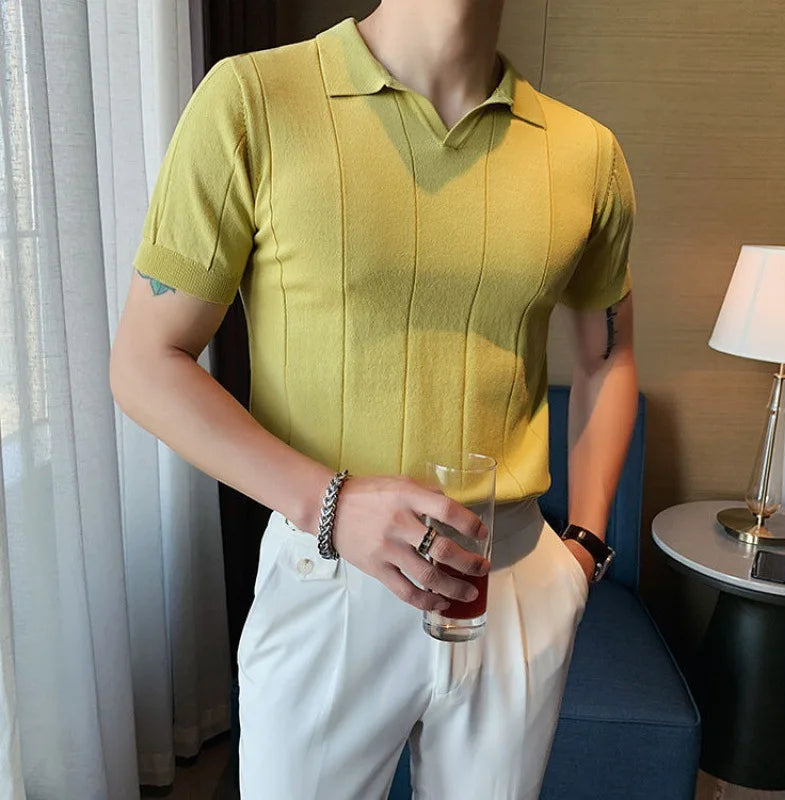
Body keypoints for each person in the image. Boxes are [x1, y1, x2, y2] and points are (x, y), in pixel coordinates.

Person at [110, 0, 639, 797]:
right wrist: (332, 505)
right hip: (327, 571)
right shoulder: (253, 101)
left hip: (514, 581)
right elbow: (145, 362)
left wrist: (583, 551)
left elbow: (609, 354)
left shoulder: (586, 153)